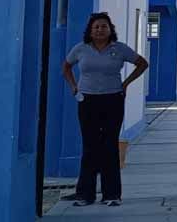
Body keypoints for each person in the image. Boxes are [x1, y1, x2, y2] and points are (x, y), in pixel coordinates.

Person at [62, 12, 149, 207]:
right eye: (96, 27)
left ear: (110, 30)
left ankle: (112, 195)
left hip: (112, 100)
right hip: (87, 101)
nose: (100, 30)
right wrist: (74, 86)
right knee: (90, 146)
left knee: (110, 145)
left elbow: (142, 63)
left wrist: (126, 83)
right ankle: (85, 195)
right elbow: (66, 67)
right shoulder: (81, 49)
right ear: (90, 31)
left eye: (103, 26)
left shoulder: (119, 49)